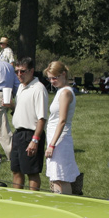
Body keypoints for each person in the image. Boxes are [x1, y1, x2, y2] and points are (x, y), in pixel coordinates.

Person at [42, 61, 80, 194]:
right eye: (49, 78)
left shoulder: (65, 93)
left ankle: (65, 205)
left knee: (61, 178)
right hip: (54, 137)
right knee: (55, 177)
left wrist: (52, 145)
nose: (52, 81)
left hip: (60, 140)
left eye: (54, 78)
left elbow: (62, 120)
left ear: (63, 74)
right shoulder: (60, 91)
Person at [10, 57, 47, 190]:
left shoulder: (38, 89)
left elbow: (42, 118)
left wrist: (35, 140)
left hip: (31, 134)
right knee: (16, 170)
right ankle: (17, 201)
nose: (19, 74)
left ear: (31, 71)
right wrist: (11, 105)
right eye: (17, 71)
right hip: (18, 134)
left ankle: (33, 200)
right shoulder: (20, 87)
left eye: (23, 71)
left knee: (32, 172)